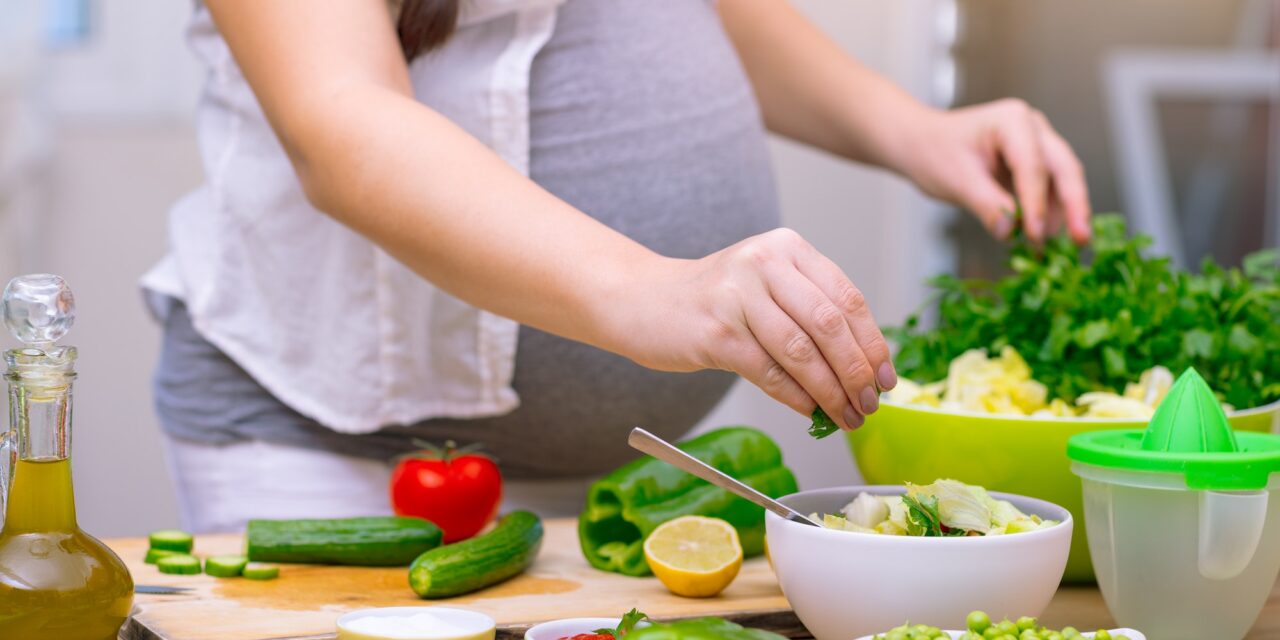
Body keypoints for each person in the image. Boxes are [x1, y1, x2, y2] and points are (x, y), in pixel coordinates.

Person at [144, 0, 1091, 532]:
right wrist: (658, 290)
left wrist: (912, 130)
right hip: (345, 463)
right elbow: (340, 123)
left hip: (624, 487)